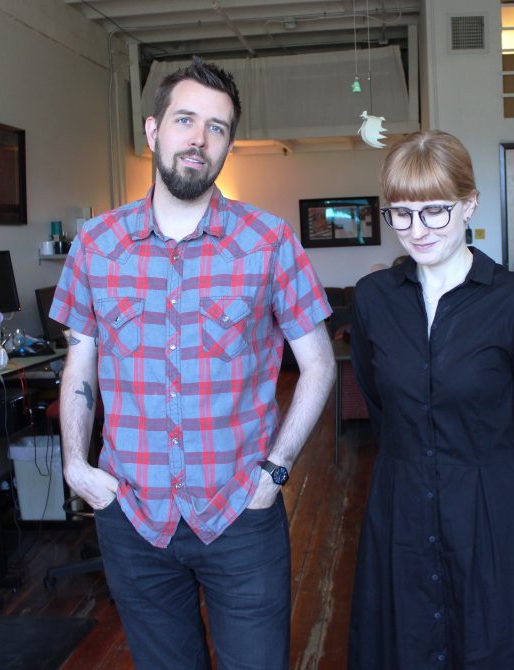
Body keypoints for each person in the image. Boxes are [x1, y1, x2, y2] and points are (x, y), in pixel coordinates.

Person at [48, 58, 336, 670]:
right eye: (185, 120)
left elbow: (319, 364)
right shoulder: (97, 245)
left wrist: (276, 472)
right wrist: (75, 464)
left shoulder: (269, 241)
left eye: (217, 127)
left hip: (240, 512)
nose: (199, 139)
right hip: (133, 516)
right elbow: (81, 362)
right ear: (153, 131)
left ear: (229, 144)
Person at [347, 130, 514, 669]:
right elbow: (382, 408)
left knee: (498, 644)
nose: (417, 230)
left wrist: (494, 488)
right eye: (401, 214)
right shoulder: (374, 299)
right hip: (400, 503)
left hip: (492, 504)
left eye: (435, 212)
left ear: (469, 204)